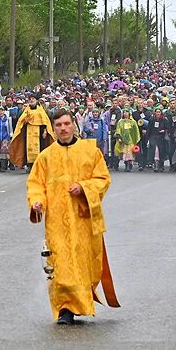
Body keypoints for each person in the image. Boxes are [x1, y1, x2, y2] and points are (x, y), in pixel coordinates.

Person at [27, 109, 118, 325]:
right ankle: (65, 309)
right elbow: (36, 184)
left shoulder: (90, 151)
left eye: (67, 124)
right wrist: (37, 202)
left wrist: (84, 187)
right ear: (53, 128)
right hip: (57, 221)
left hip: (84, 218)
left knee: (83, 263)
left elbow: (103, 178)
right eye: (58, 125)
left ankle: (82, 302)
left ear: (74, 125)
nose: (63, 128)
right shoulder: (46, 156)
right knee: (60, 263)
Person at [9, 94, 54, 172]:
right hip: (28, 132)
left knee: (40, 149)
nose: (31, 100)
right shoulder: (25, 110)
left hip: (39, 133)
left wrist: (45, 131)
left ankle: (39, 166)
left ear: (36, 100)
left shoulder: (41, 110)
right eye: (30, 99)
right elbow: (19, 121)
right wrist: (24, 121)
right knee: (27, 149)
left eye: (33, 98)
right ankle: (29, 166)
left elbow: (45, 122)